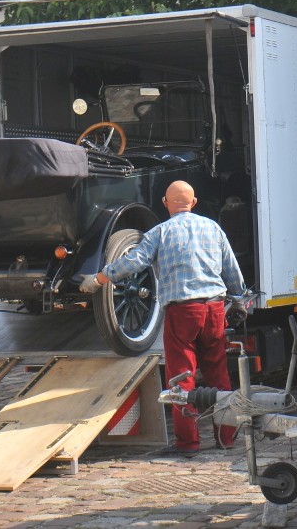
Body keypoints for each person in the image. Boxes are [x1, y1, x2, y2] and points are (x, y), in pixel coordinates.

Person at [80, 180, 247, 454]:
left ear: (165, 203)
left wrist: (99, 278)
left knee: (181, 378)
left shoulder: (160, 232)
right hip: (215, 308)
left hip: (183, 311)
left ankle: (188, 443)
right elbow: (231, 267)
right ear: (194, 203)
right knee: (219, 375)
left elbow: (134, 261)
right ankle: (226, 439)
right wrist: (239, 299)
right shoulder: (213, 228)